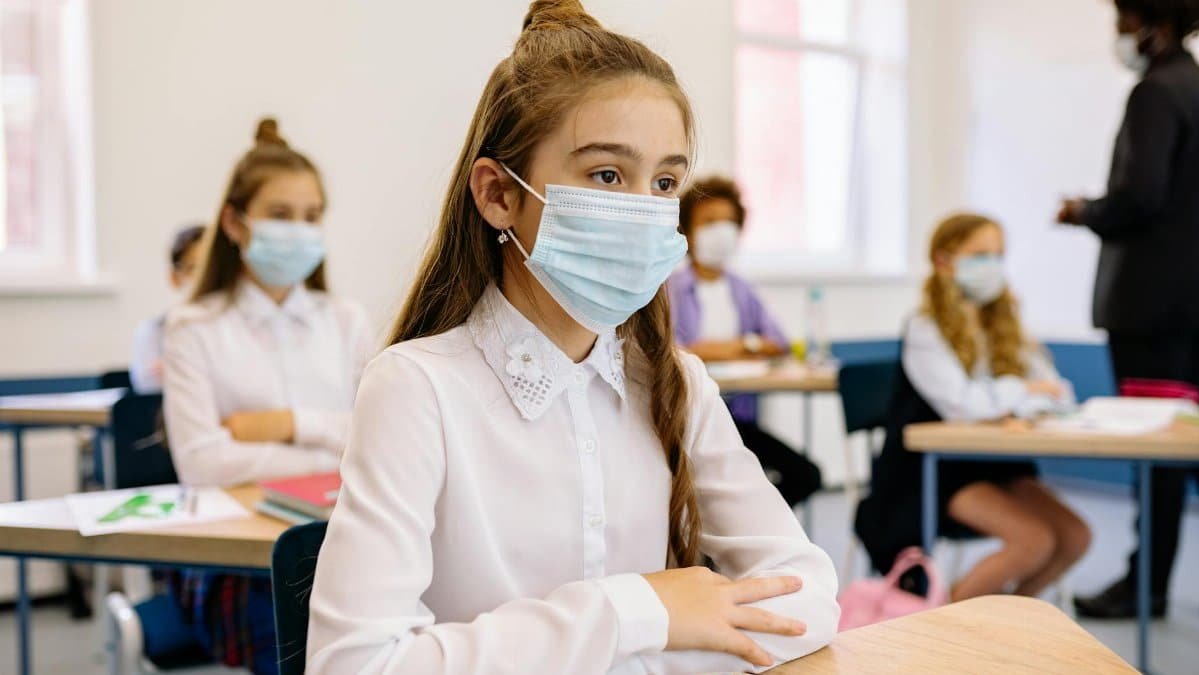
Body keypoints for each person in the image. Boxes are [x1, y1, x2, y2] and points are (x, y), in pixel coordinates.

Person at [306, 3, 840, 673]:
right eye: (608, 176)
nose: (645, 210)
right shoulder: (416, 389)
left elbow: (809, 597)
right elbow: (355, 664)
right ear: (499, 194)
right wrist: (640, 611)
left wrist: (642, 647)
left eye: (666, 182)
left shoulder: (676, 382)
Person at [161, 118, 372, 674]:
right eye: (280, 215)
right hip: (238, 564)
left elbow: (378, 442)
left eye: (311, 216)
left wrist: (282, 423)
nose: (299, 231)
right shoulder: (192, 328)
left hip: (343, 541)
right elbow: (203, 464)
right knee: (293, 642)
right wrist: (335, 436)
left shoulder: (346, 321)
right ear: (234, 222)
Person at [855, 214, 1091, 601]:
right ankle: (948, 629)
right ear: (943, 260)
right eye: (980, 254)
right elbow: (962, 405)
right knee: (1032, 541)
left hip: (999, 464)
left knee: (1075, 537)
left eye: (998, 254)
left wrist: (1011, 395)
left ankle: (1010, 621)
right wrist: (1023, 391)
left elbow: (1059, 394)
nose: (992, 264)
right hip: (933, 473)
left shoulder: (1004, 323)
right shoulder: (925, 327)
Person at [1057, 0, 1199, 619]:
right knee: (1182, 448)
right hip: (1189, 307)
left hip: (1151, 310)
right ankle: (1150, 582)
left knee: (1154, 452)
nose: (1117, 34)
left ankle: (1146, 586)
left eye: (1121, 20)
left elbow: (1139, 196)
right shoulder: (1195, 84)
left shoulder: (1156, 91)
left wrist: (1084, 211)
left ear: (1152, 22)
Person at [668, 176, 822, 508]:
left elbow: (777, 343)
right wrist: (746, 344)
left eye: (728, 222)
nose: (721, 230)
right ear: (687, 231)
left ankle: (741, 536)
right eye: (709, 222)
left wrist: (731, 346)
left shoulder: (740, 289)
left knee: (806, 475)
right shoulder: (670, 289)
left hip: (738, 421)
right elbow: (677, 350)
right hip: (688, 424)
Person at [129, 224, 206, 394]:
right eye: (194, 268)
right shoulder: (155, 331)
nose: (205, 278)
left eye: (211, 268)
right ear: (174, 277)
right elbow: (149, 388)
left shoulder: (246, 325)